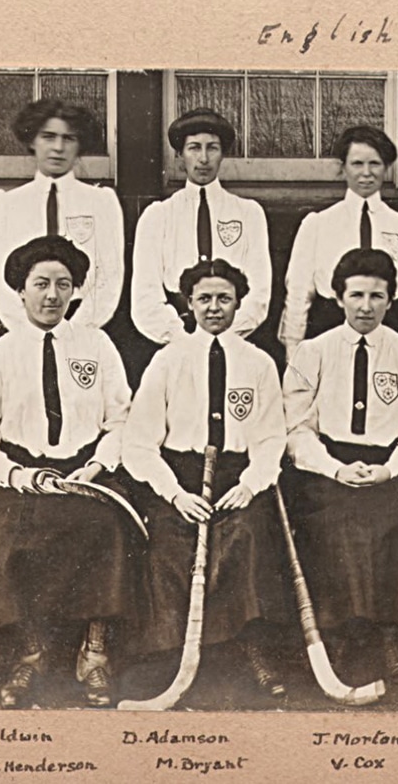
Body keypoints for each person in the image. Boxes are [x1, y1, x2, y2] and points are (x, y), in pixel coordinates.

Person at [0, 235, 135, 709]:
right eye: (41, 284)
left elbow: (122, 419)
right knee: (17, 527)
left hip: (86, 469)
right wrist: (18, 475)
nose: (52, 295)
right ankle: (30, 652)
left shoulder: (96, 345)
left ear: (75, 290)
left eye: (63, 284)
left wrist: (98, 465)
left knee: (107, 525)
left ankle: (93, 654)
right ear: (20, 290)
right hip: (18, 474)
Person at [122, 259, 288, 697]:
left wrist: (251, 483)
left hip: (236, 475)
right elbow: (138, 444)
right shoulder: (167, 361)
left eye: (224, 298)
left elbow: (272, 437)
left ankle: (249, 649)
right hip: (179, 476)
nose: (214, 307)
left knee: (245, 537)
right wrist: (175, 494)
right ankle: (171, 655)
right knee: (169, 546)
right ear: (188, 304)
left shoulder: (259, 363)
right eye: (204, 299)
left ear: (238, 304)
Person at [282, 248, 398, 685]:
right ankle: (342, 632)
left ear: (391, 300)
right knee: (336, 521)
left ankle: (391, 635)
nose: (366, 306)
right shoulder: (313, 352)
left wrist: (391, 469)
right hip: (329, 464)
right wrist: (333, 468)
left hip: (390, 465)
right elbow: (296, 428)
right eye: (357, 295)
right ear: (338, 298)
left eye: (377, 296)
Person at [279, 125, 398, 359]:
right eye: (357, 164)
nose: (366, 173)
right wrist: (294, 354)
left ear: (386, 168)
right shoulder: (318, 224)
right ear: (343, 168)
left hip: (388, 334)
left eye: (375, 164)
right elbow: (299, 295)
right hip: (328, 331)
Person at [0, 99, 124, 331]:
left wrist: (74, 332)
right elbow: (1, 284)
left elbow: (109, 279)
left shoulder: (101, 203)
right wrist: (29, 331)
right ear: (32, 141)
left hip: (85, 327)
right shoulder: (6, 206)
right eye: (48, 137)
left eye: (69, 138)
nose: (58, 147)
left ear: (80, 146)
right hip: (23, 331)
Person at [132, 108, 271, 344]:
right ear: (180, 155)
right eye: (194, 148)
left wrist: (226, 334)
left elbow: (259, 292)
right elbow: (145, 297)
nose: (204, 159)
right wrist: (183, 340)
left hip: (234, 339)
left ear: (222, 154)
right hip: (175, 341)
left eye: (212, 148)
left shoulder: (248, 213)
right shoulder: (158, 216)